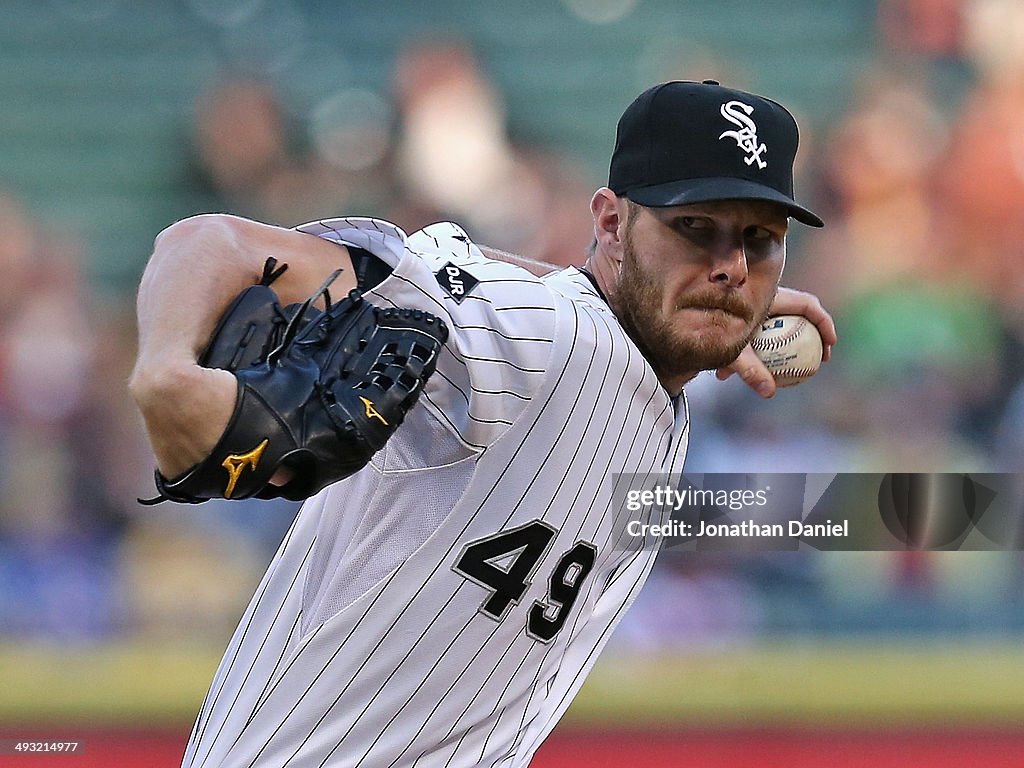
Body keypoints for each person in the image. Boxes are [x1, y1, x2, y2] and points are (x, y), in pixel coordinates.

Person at [130, 79, 836, 768]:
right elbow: (211, 240)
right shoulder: (546, 340)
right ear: (613, 225)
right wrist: (167, 373)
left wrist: (700, 310)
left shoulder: (641, 374)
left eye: (758, 241)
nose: (731, 267)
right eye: (694, 230)